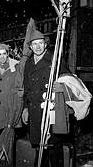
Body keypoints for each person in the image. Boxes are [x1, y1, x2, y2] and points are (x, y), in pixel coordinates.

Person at [21, 29, 71, 167]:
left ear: (45, 44)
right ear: (30, 46)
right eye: (34, 44)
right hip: (35, 110)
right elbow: (27, 88)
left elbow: (69, 80)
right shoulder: (29, 63)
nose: (38, 46)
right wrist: (25, 108)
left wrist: (62, 87)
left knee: (54, 146)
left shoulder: (55, 60)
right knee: (39, 146)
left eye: (41, 43)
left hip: (51, 110)